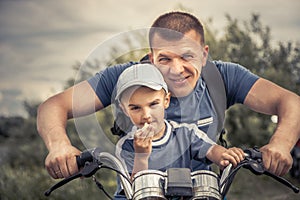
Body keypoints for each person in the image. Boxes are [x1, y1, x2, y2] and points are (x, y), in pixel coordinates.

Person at [37, 11, 300, 179]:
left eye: (188, 56)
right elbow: (53, 106)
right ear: (151, 58)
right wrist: (59, 145)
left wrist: (280, 144)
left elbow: (290, 102)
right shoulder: (125, 79)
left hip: (203, 191)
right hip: (138, 190)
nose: (176, 70)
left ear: (204, 54)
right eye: (164, 59)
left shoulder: (223, 77)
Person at [114, 63, 244, 199]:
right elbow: (134, 190)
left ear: (166, 101)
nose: (146, 115)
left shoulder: (185, 134)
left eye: (153, 104)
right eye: (135, 108)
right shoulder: (126, 146)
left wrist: (224, 156)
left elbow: (211, 150)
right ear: (125, 110)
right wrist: (141, 156)